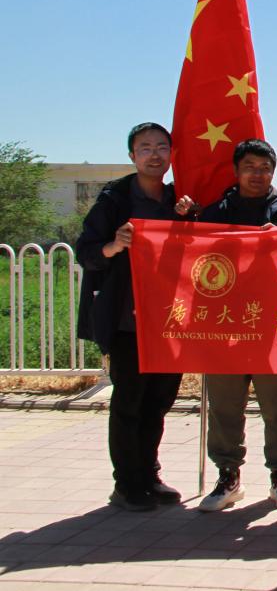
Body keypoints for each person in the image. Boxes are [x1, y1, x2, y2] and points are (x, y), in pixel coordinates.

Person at [75, 122, 191, 511]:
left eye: (161, 147)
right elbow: (86, 250)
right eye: (145, 148)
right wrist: (113, 245)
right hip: (129, 321)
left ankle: (148, 473)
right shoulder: (115, 200)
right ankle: (126, 484)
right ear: (132, 155)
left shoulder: (178, 200)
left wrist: (189, 218)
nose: (154, 155)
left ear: (171, 154)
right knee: (129, 402)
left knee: (159, 400)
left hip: (170, 319)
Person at [197, 138, 277, 512]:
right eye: (250, 167)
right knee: (224, 406)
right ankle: (228, 476)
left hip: (270, 323)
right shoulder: (215, 212)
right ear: (236, 171)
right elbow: (195, 260)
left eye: (264, 168)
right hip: (224, 323)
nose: (257, 174)